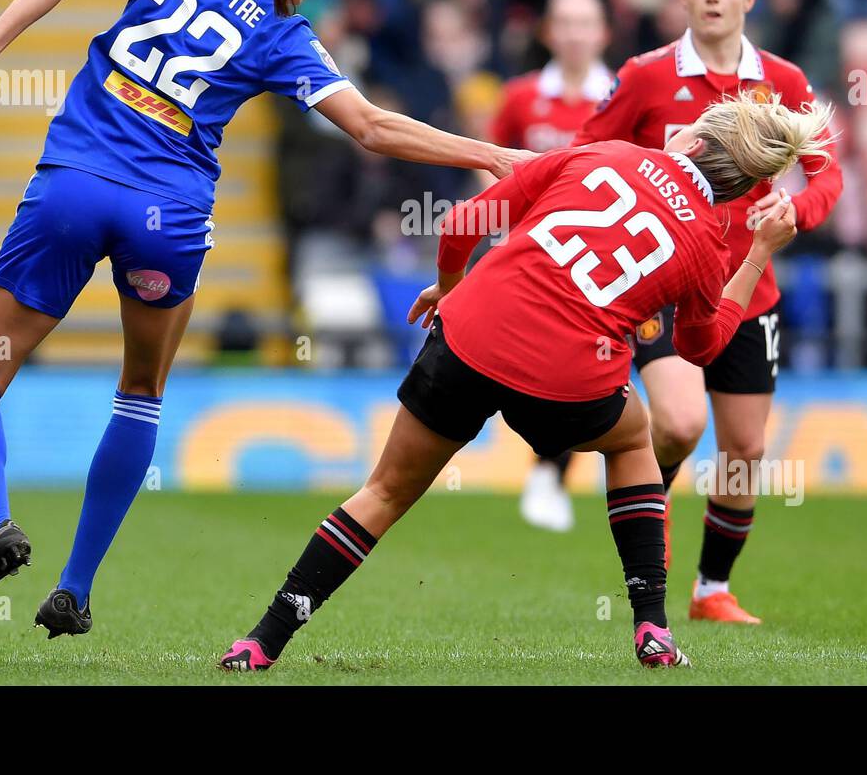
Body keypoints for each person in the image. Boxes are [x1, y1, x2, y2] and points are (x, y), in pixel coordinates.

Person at [0, 0, 532, 638]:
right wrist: (492, 156)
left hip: (73, 190)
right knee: (140, 389)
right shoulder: (283, 36)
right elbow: (372, 129)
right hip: (167, 219)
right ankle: (74, 589)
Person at [220, 93, 833, 673]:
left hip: (469, 336)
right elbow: (703, 346)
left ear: (696, 146)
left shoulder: (606, 153)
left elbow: (467, 219)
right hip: (567, 380)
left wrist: (452, 290)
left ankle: (262, 641)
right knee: (632, 441)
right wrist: (757, 256)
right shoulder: (707, 247)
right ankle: (653, 627)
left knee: (383, 493)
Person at [573, 0, 843, 624]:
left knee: (745, 450)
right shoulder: (645, 76)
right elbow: (586, 152)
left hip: (753, 291)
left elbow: (828, 171)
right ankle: (649, 540)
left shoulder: (782, 80)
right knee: (680, 421)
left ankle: (711, 591)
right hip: (666, 288)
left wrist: (799, 207)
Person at [484, 0, 612, 531]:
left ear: (602, 33)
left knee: (587, 368)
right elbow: (489, 161)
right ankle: (544, 464)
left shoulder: (621, 96)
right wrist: (492, 230)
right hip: (531, 255)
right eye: (565, 21)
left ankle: (550, 470)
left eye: (586, 22)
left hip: (600, 261)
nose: (576, 33)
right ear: (548, 33)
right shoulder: (519, 97)